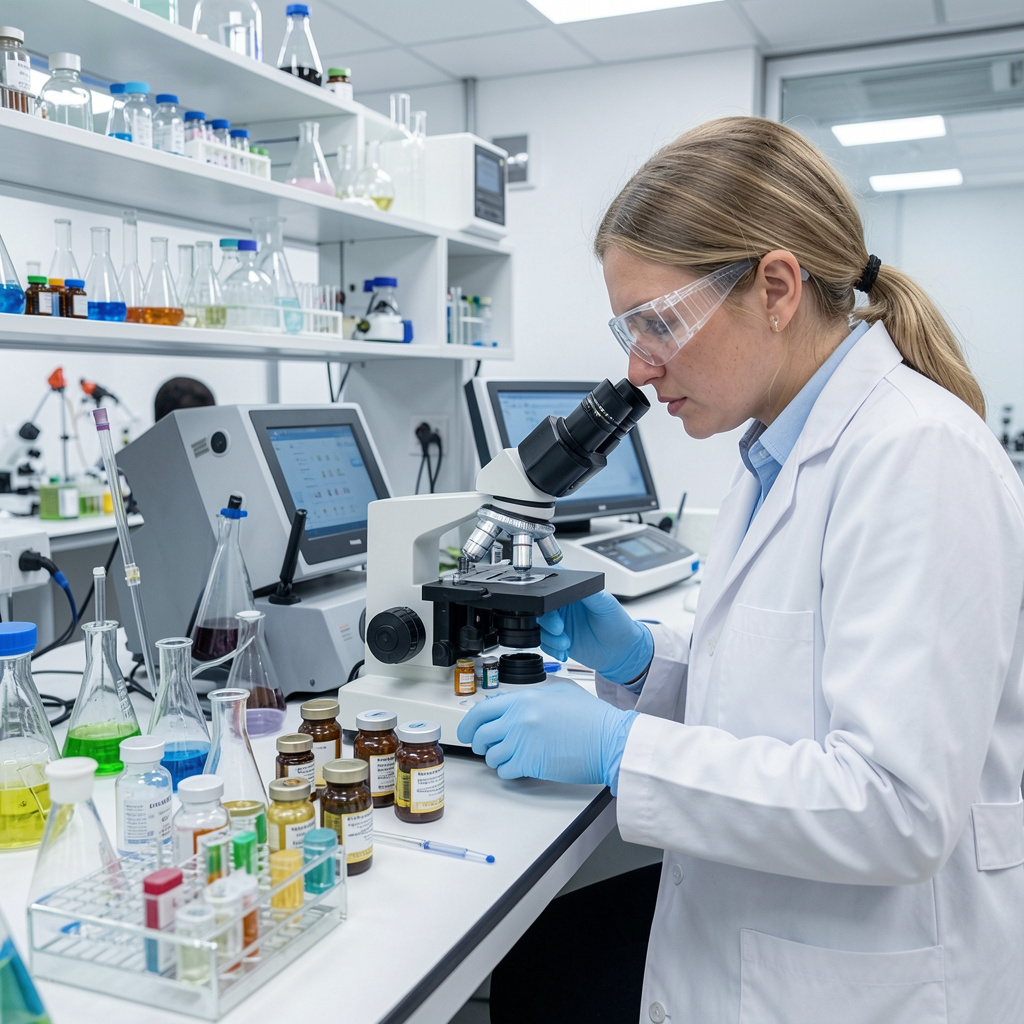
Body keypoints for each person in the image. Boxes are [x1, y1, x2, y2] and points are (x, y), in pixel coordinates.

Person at [459, 116, 1024, 1024]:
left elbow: (894, 807)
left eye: (657, 324)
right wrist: (648, 663)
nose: (637, 371)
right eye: (626, 329)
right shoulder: (778, 450)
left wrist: (619, 749)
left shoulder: (918, 456)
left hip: (870, 985)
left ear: (775, 286)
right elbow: (788, 689)